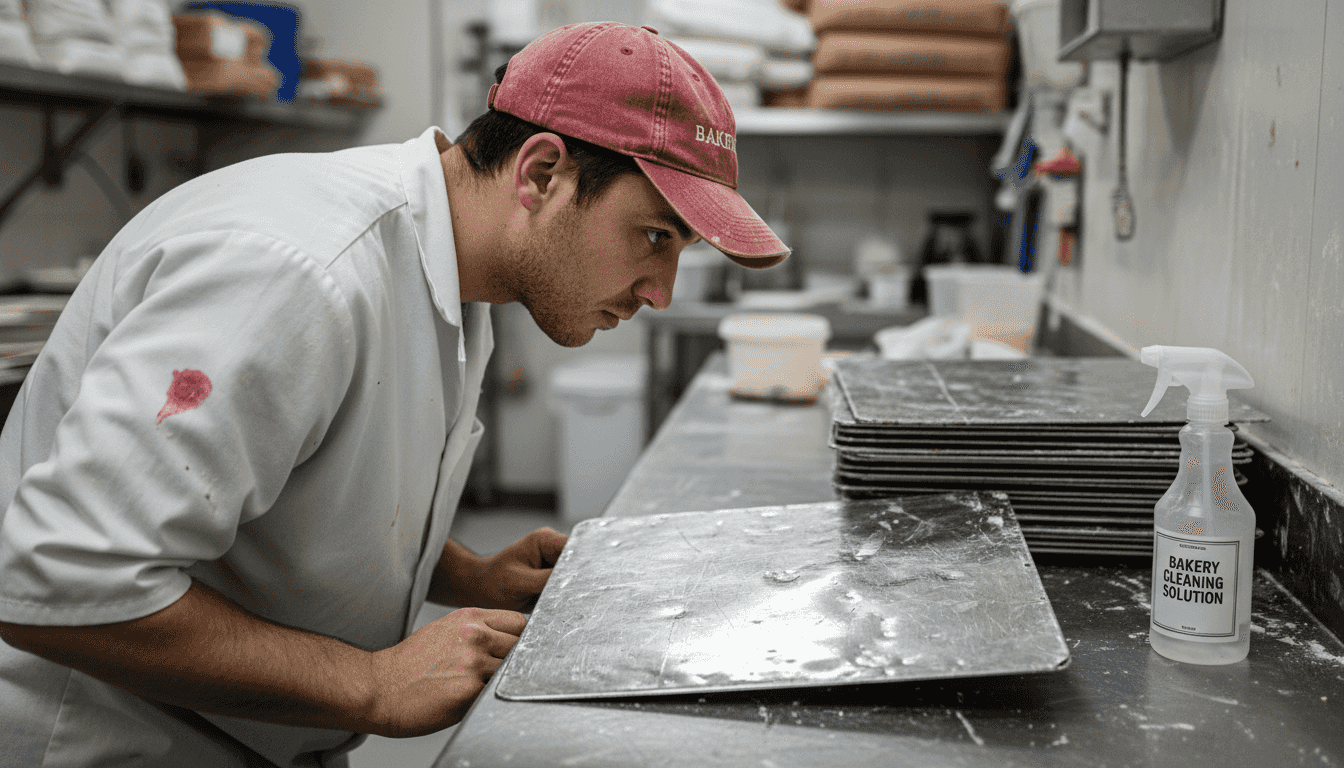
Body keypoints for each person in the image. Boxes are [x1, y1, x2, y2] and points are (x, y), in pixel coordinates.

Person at [0, 20, 788, 768]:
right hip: (106, 741)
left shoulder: (454, 274)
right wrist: (368, 685)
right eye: (654, 236)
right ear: (542, 173)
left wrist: (461, 574)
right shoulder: (301, 273)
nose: (662, 293)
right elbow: (57, 579)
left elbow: (297, 476)